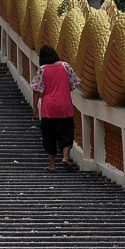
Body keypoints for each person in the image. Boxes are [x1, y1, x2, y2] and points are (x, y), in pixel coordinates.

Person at [30, 45, 80, 173]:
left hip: (48, 108)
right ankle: (65, 157)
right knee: (67, 132)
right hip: (65, 105)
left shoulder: (42, 69)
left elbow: (36, 90)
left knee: (49, 135)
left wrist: (35, 106)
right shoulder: (65, 66)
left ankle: (52, 165)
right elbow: (74, 83)